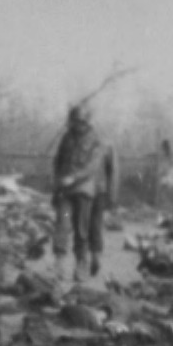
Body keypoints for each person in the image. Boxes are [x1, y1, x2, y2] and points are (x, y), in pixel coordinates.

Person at [52, 100, 113, 277]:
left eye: (80, 121)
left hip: (83, 192)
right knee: (62, 225)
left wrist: (74, 177)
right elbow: (58, 161)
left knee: (81, 229)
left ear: (86, 122)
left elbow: (92, 167)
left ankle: (81, 264)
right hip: (65, 192)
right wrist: (57, 183)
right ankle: (59, 263)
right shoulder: (66, 137)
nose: (76, 125)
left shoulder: (96, 140)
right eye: (74, 121)